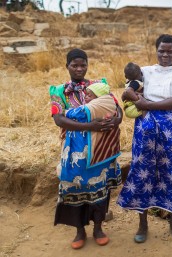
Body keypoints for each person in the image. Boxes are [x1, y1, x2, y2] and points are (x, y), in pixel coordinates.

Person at [117, 34, 172, 243]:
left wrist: (146, 104)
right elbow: (127, 92)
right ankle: (142, 224)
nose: (165, 54)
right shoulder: (145, 71)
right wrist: (135, 98)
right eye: (162, 50)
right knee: (143, 172)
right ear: (156, 51)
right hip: (145, 129)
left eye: (170, 51)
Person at [49, 48, 122, 249]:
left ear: (87, 65)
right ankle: (79, 231)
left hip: (100, 147)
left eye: (83, 65)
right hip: (74, 150)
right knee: (74, 186)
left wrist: (115, 121)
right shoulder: (59, 92)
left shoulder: (99, 86)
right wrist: (89, 126)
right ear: (67, 67)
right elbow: (59, 120)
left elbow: (116, 109)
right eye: (75, 65)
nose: (79, 69)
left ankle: (98, 228)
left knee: (100, 187)